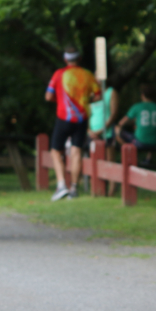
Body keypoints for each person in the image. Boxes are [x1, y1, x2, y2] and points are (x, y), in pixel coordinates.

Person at [45, 46, 101, 201]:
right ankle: (74, 189)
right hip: (82, 119)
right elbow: (98, 96)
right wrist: (85, 101)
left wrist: (60, 100)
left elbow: (48, 97)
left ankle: (62, 185)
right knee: (77, 152)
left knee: (56, 151)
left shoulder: (59, 74)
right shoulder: (88, 75)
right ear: (80, 59)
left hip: (63, 117)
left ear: (65, 59)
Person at [115, 84, 156, 164]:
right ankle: (148, 158)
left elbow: (121, 123)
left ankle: (131, 154)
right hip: (154, 143)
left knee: (116, 130)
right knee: (152, 135)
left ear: (142, 95)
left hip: (139, 142)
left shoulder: (137, 107)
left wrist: (134, 122)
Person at [87, 82, 119, 195]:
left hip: (107, 133)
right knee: (94, 161)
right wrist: (89, 131)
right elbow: (86, 113)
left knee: (110, 161)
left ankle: (111, 190)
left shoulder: (111, 92)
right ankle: (96, 189)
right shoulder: (90, 94)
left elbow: (114, 112)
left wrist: (102, 130)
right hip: (92, 134)